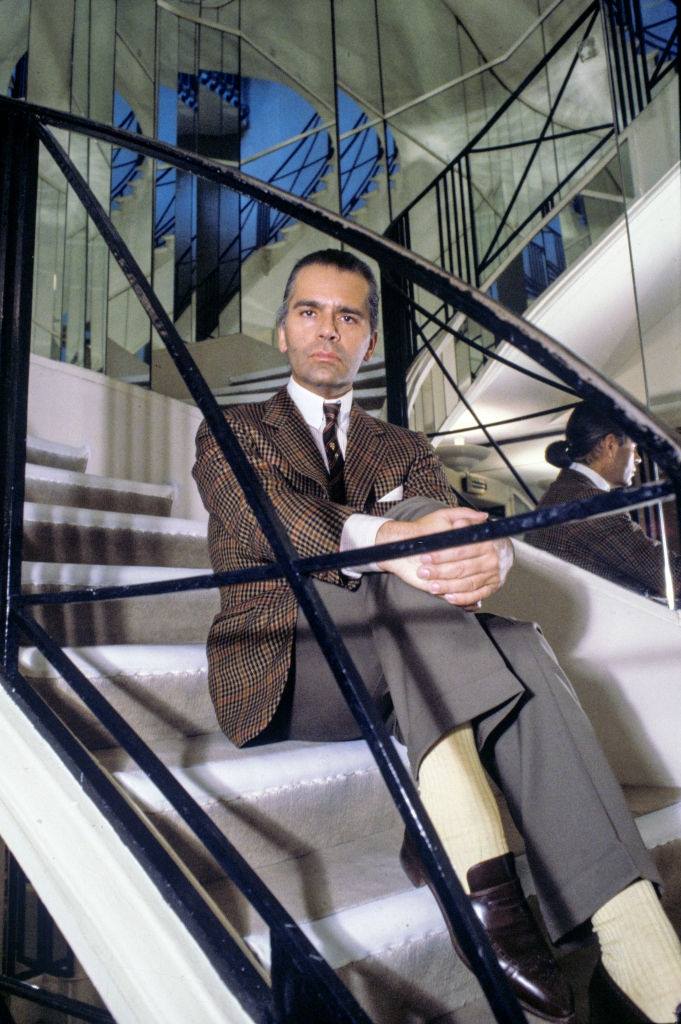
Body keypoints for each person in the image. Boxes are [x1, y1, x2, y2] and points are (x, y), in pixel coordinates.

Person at [193, 249, 681, 1023]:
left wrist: (485, 550)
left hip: (399, 659)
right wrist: (393, 541)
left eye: (348, 316)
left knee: (507, 632)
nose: (328, 329)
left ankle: (638, 953)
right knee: (411, 575)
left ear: (369, 342)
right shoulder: (235, 430)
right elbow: (267, 517)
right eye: (309, 312)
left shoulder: (403, 446)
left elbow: (437, 518)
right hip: (285, 663)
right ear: (282, 331)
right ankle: (473, 861)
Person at [527, 403, 681, 600]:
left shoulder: (564, 492)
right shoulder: (588, 504)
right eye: (633, 447)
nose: (638, 458)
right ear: (610, 445)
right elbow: (672, 578)